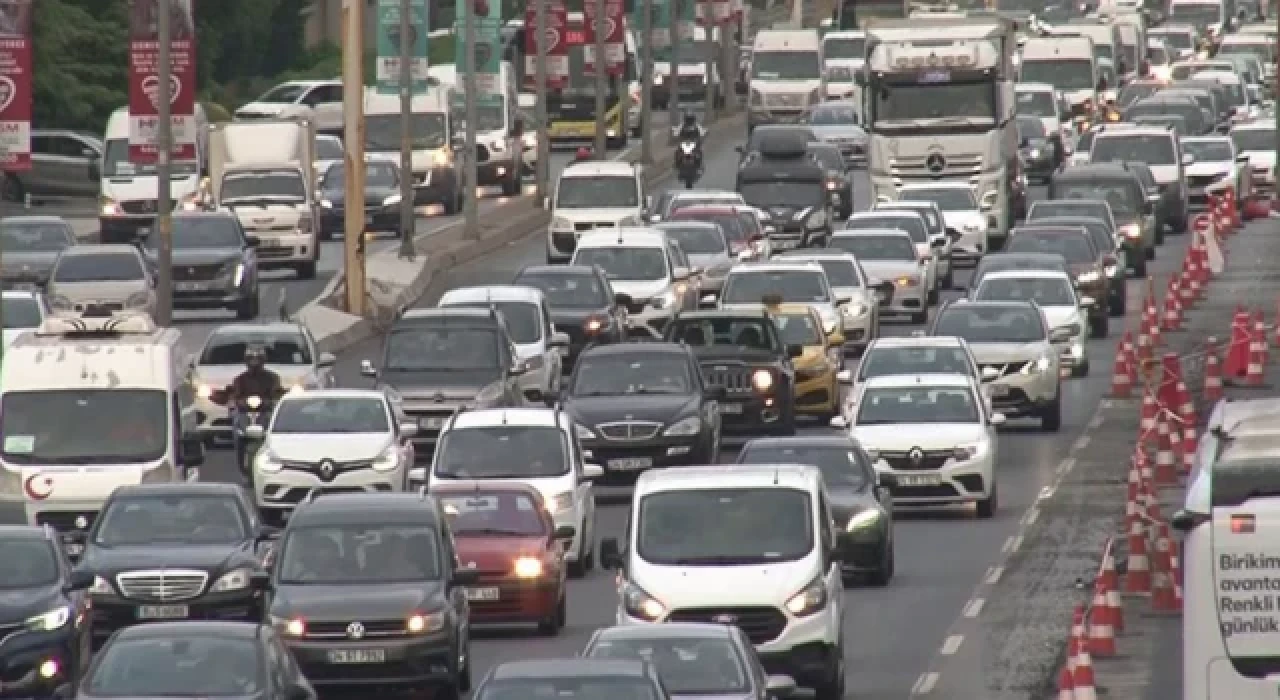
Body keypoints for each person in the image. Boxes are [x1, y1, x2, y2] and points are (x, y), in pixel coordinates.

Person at [225, 343, 283, 473]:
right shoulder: (239, 379)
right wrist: (235, 403)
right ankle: (240, 460)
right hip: (244, 411)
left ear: (263, 361)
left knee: (274, 429)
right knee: (236, 426)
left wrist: (274, 401)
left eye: (258, 359)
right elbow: (235, 395)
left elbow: (276, 392)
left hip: (265, 410)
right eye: (251, 359)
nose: (254, 363)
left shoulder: (272, 378)